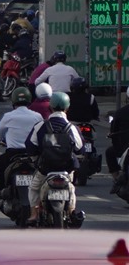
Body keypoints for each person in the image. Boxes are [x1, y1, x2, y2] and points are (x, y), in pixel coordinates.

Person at [25, 91, 85, 219]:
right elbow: (80, 148)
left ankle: (34, 214)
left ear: (50, 107)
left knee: (34, 188)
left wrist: (36, 156)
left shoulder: (41, 125)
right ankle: (72, 211)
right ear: (67, 108)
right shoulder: (72, 128)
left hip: (45, 168)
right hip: (66, 168)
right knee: (71, 188)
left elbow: (30, 146)